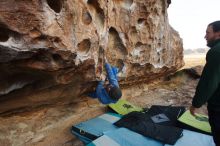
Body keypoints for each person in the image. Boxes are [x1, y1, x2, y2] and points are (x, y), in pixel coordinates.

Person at [190, 20, 220, 146]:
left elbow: (208, 82)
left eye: (208, 32)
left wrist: (196, 104)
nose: (205, 36)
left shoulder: (216, 52)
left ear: (218, 33)